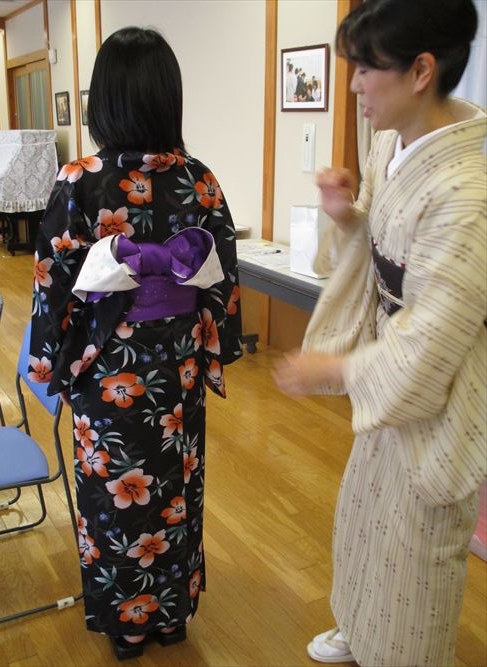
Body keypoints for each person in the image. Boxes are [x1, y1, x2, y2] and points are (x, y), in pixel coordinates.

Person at [273, 1, 486, 665]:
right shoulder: (389, 144)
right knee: (365, 518)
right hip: (386, 364)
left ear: (421, 71)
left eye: (368, 69)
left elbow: (433, 339)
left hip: (438, 393)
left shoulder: (467, 194)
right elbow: (379, 245)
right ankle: (361, 627)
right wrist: (346, 215)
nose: (355, 84)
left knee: (419, 549)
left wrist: (335, 368)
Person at [30, 26, 243, 661]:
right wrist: (214, 345)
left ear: (105, 102)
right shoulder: (200, 180)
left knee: (116, 493)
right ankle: (172, 615)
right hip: (176, 369)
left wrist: (51, 358)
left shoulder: (80, 180)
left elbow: (53, 278)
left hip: (108, 369)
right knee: (175, 487)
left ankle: (128, 624)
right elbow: (223, 274)